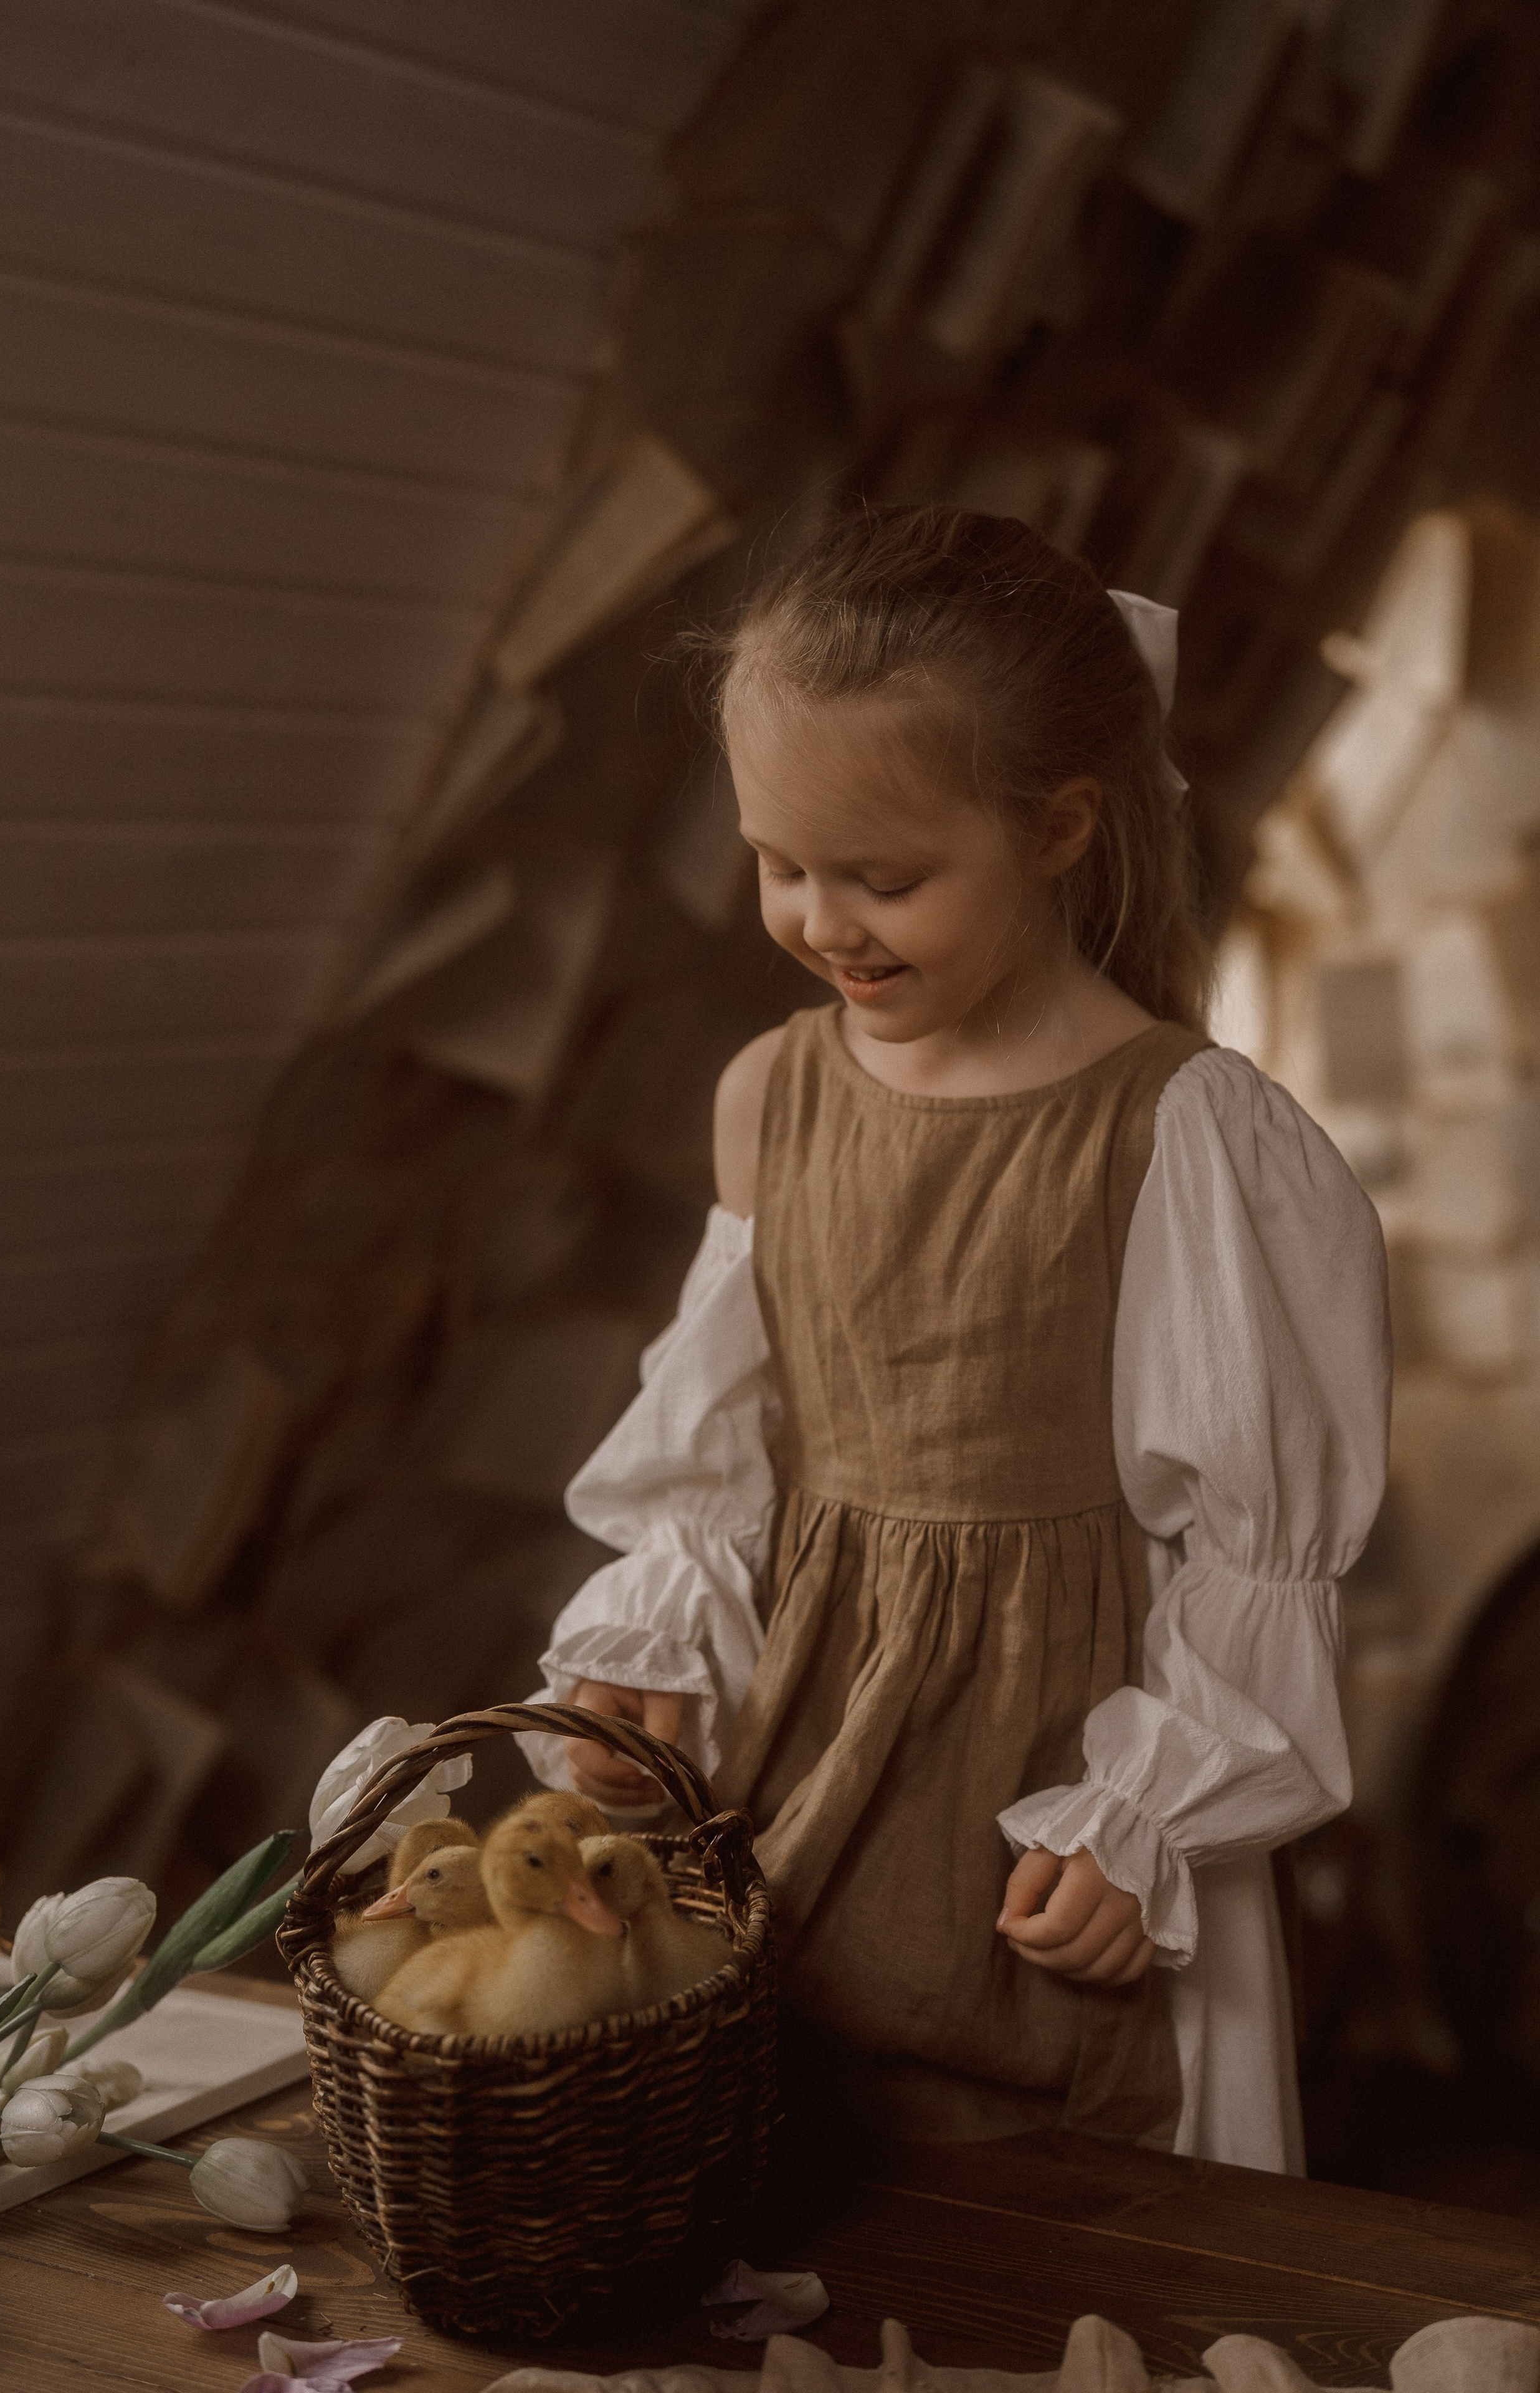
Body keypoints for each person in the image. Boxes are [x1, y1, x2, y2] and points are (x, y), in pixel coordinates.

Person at [518, 507, 1390, 2172]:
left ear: (1061, 828)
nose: (822, 920)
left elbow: (1253, 1558)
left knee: (1064, 2262)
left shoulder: (1189, 1136)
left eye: (887, 877)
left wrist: (1142, 1828)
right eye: (780, 863)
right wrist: (652, 1677)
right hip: (799, 1798)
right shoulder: (769, 1098)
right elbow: (714, 1475)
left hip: (1055, 1840)